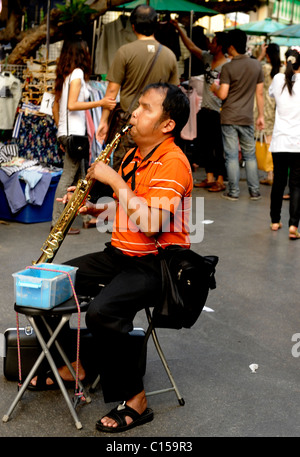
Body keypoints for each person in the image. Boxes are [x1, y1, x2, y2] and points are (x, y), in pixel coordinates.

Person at [31, 83, 192, 432]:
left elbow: (150, 224)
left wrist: (114, 181)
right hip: (119, 255)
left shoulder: (174, 163)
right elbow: (131, 205)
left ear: (167, 124)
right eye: (137, 106)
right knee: (41, 284)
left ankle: (137, 400)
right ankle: (72, 366)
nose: (134, 113)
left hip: (157, 264)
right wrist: (96, 207)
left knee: (103, 312)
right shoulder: (135, 154)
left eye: (146, 108)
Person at [96, 4, 179, 172]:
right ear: (156, 25)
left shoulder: (125, 52)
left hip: (130, 121)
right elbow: (174, 94)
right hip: (156, 125)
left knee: (123, 166)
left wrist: (103, 121)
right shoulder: (169, 56)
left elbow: (112, 92)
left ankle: (121, 198)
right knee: (150, 166)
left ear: (133, 26)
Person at [52, 35, 116, 234]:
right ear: (81, 52)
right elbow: (72, 104)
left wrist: (60, 132)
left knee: (81, 176)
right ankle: (57, 222)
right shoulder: (77, 73)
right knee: (70, 176)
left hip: (68, 132)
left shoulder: (68, 75)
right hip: (75, 134)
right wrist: (101, 103)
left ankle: (86, 216)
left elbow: (58, 106)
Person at [172, 20, 228, 191]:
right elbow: (190, 46)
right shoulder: (207, 57)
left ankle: (219, 180)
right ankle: (209, 177)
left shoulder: (228, 66)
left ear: (220, 46)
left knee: (218, 147)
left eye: (213, 42)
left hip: (219, 111)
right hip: (205, 108)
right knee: (205, 145)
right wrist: (179, 28)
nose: (210, 44)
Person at [210, 29, 264, 201]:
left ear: (231, 46)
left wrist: (214, 88)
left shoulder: (228, 67)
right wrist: (260, 116)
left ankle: (233, 192)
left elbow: (223, 94)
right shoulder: (257, 65)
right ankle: (254, 191)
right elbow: (260, 94)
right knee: (250, 155)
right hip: (247, 117)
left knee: (232, 155)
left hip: (229, 117)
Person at [268, 47, 300, 238]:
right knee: (296, 184)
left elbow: (272, 95)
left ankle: (274, 221)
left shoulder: (279, 79)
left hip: (279, 141)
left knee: (278, 183)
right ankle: (293, 226)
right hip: (298, 143)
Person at [256, 43, 282, 186]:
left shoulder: (265, 68)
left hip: (265, 107)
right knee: (275, 141)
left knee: (268, 142)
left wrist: (260, 54)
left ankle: (270, 174)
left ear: (268, 55)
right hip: (278, 107)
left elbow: (253, 66)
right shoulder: (283, 69)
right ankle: (273, 172)